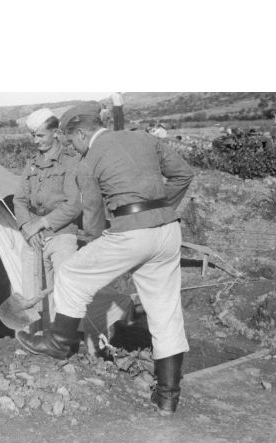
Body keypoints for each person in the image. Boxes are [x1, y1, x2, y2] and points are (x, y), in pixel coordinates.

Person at [17, 101, 194, 415]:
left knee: (70, 275)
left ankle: (59, 343)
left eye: (72, 141)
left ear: (83, 133)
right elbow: (183, 175)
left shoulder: (89, 160)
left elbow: (94, 214)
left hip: (130, 232)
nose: (74, 147)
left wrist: (98, 248)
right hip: (168, 232)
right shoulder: (146, 139)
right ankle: (167, 397)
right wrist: (160, 208)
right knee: (166, 313)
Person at [13, 108, 93, 320]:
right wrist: (27, 228)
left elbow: (73, 205)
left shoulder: (71, 162)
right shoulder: (31, 164)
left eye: (40, 135)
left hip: (62, 234)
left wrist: (40, 224)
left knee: (64, 291)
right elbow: (19, 200)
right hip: (33, 237)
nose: (35, 141)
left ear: (55, 132)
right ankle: (33, 339)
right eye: (33, 135)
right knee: (30, 292)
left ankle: (63, 341)